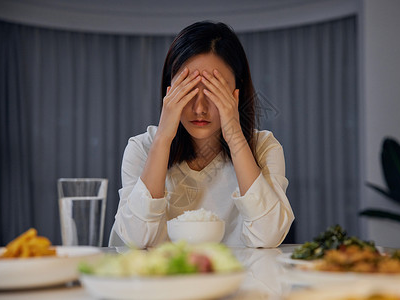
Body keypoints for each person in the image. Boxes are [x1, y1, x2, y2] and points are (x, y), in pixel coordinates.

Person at [110, 21, 294, 248]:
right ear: (170, 92)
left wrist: (235, 137)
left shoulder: (264, 147)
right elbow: (136, 240)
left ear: (236, 94)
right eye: (188, 90)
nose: (199, 108)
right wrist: (163, 139)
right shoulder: (142, 148)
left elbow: (268, 236)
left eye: (213, 90)